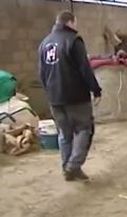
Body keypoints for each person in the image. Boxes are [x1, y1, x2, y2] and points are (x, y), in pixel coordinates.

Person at [38, 10, 102, 181]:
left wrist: (50, 92)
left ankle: (67, 168)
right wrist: (96, 90)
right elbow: (84, 68)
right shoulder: (74, 40)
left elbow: (42, 73)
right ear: (70, 22)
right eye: (75, 23)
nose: (77, 26)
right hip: (76, 97)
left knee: (64, 134)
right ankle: (73, 166)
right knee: (84, 129)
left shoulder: (44, 43)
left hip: (54, 98)